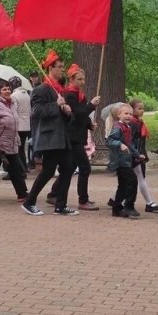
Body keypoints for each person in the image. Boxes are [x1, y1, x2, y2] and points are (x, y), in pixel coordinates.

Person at [23, 50, 77, 216]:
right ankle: (29, 201)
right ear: (50, 68)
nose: (62, 69)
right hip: (50, 137)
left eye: (62, 66)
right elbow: (37, 112)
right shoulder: (41, 90)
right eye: (59, 67)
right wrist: (56, 105)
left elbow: (63, 114)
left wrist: (68, 112)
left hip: (61, 137)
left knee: (67, 168)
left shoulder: (59, 89)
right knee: (48, 170)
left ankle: (60, 205)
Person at [48, 65, 100, 210]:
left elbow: (83, 114)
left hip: (78, 134)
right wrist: (91, 105)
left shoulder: (78, 93)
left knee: (70, 167)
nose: (82, 82)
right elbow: (77, 113)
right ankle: (83, 200)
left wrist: (90, 125)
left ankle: (53, 193)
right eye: (79, 79)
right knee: (85, 167)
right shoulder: (69, 94)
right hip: (72, 136)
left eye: (83, 79)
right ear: (71, 79)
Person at [108, 103, 141, 219]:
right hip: (120, 161)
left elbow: (129, 143)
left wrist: (137, 154)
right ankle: (129, 206)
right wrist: (119, 144)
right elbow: (110, 141)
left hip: (126, 160)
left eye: (130, 114)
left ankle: (116, 208)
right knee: (132, 181)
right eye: (126, 113)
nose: (128, 116)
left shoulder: (128, 127)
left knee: (122, 185)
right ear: (119, 115)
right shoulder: (117, 127)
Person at [129, 98, 158, 212]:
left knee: (132, 179)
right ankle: (149, 203)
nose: (142, 110)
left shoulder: (138, 122)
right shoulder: (133, 124)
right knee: (140, 177)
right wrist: (137, 154)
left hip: (139, 153)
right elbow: (131, 141)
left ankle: (114, 199)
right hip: (135, 155)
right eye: (139, 108)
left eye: (143, 108)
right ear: (132, 109)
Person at [13, 80, 33, 173]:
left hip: (19, 124)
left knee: (17, 147)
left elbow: (14, 110)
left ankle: (21, 167)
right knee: (21, 147)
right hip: (27, 124)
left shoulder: (14, 96)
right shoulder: (26, 94)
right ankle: (24, 166)